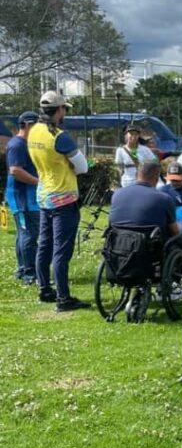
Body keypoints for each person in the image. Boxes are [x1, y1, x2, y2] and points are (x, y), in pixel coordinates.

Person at [27, 91, 90, 311]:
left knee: (44, 245)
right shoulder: (59, 136)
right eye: (65, 109)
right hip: (64, 198)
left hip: (44, 195)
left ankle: (45, 289)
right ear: (59, 110)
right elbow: (83, 167)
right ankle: (64, 299)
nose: (66, 113)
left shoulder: (34, 131)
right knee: (61, 251)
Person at [4, 111, 41, 284]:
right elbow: (15, 170)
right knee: (29, 235)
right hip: (22, 198)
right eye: (36, 125)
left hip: (27, 197)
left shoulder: (26, 143)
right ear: (27, 125)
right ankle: (29, 273)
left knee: (23, 234)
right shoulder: (17, 145)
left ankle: (22, 269)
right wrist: (38, 182)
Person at [109, 160, 179, 237]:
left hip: (117, 243)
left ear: (136, 176)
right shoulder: (164, 198)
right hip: (149, 246)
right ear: (157, 179)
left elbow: (111, 223)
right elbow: (175, 231)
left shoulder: (117, 194)